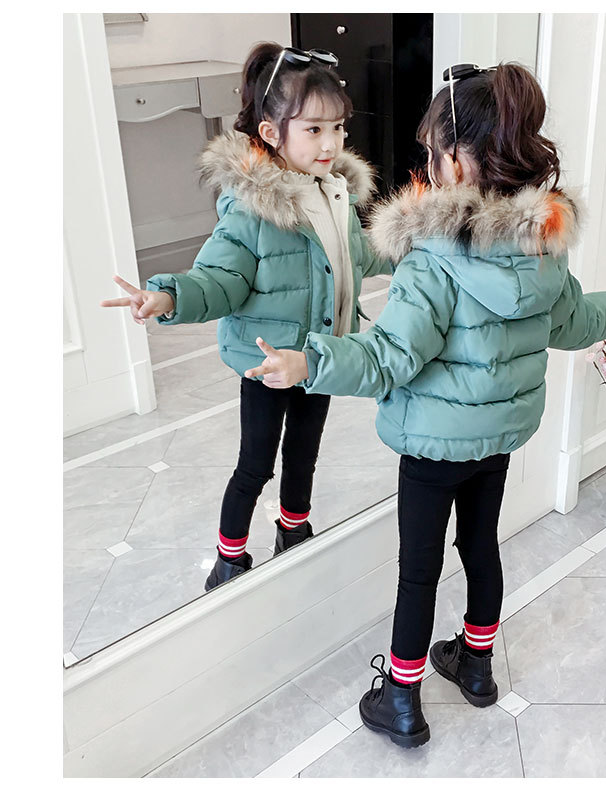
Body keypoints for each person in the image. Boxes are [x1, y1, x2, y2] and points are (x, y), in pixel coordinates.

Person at [245, 61, 606, 747]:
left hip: (433, 445)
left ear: (459, 159)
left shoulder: (434, 257)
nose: (427, 163)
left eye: (433, 150)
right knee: (479, 545)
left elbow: (389, 357)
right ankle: (476, 666)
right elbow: (569, 323)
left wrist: (310, 361)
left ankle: (401, 698)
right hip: (497, 437)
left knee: (418, 571)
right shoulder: (542, 245)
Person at [101, 42, 391, 591]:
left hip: (318, 356)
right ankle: (229, 557)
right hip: (265, 364)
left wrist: (411, 244)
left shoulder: (337, 194)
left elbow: (361, 255)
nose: (330, 143)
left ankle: (293, 531)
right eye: (313, 129)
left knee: (304, 455)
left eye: (338, 128)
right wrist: (169, 297)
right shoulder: (251, 208)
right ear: (270, 131)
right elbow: (220, 278)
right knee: (255, 464)